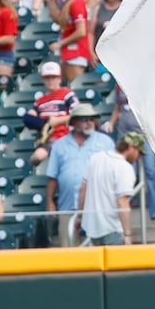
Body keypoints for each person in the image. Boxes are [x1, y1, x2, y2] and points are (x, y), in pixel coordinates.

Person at [45, 103, 116, 248]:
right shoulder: (59, 145)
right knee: (68, 250)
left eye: (92, 119)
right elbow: (52, 176)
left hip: (97, 208)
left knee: (97, 250)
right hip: (67, 207)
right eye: (85, 119)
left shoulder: (105, 142)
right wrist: (49, 202)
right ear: (75, 122)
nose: (89, 122)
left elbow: (114, 173)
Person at [77, 138, 137, 246]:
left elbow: (83, 189)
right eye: (139, 153)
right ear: (131, 148)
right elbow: (122, 201)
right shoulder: (125, 167)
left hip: (92, 229)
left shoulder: (95, 158)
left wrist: (80, 216)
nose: (138, 157)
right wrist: (127, 234)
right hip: (113, 229)